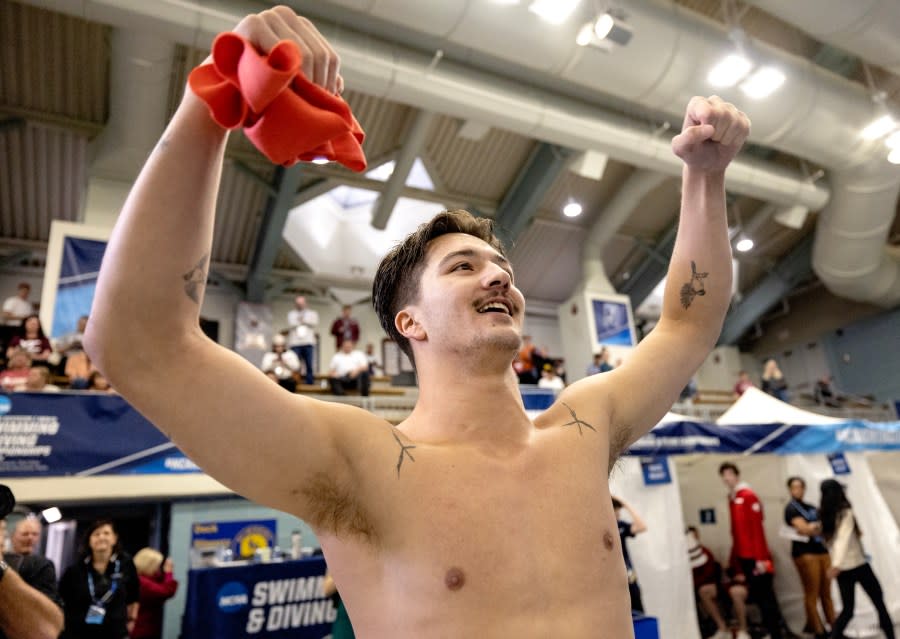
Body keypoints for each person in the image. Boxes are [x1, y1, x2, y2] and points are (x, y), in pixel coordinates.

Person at [82, 7, 749, 635]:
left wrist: (706, 178)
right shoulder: (361, 465)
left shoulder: (584, 426)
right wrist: (214, 98)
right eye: (462, 267)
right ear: (411, 322)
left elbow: (688, 325)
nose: (499, 276)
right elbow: (140, 344)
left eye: (500, 266)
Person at [819, 479, 895, 639]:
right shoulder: (845, 512)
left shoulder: (825, 514)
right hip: (856, 565)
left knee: (848, 610)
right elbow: (842, 539)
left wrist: (836, 564)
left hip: (844, 570)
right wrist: (837, 564)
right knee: (879, 602)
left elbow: (833, 541)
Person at [718, 462, 785, 639]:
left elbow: (756, 529)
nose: (726, 478)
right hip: (744, 557)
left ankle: (775, 631)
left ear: (736, 475)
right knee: (761, 596)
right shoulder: (732, 498)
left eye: (729, 474)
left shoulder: (748, 496)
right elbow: (736, 533)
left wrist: (760, 558)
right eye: (723, 475)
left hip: (756, 557)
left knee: (766, 595)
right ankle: (769, 630)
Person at [60, 519, 140, 639]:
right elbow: (61, 600)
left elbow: (134, 596)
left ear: (114, 538)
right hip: (80, 633)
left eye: (106, 533)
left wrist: (132, 621)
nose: (101, 537)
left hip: (115, 632)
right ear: (89, 540)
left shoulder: (125, 565)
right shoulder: (75, 570)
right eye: (96, 534)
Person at [783, 477, 834, 639]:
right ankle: (818, 630)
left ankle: (834, 627)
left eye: (800, 487)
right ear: (790, 489)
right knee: (812, 592)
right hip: (805, 553)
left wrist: (814, 527)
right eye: (794, 487)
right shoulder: (791, 508)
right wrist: (811, 527)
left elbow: (825, 526)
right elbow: (804, 529)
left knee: (826, 592)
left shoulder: (811, 507)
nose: (797, 490)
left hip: (821, 551)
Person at [0, 515, 64, 639]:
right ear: (12, 535)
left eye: (35, 534)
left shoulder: (42, 565)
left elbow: (46, 628)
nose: (30, 538)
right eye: (25, 534)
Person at [686, 526, 750, 639]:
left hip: (736, 584)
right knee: (703, 591)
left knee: (735, 592)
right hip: (715, 585)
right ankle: (721, 627)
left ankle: (743, 630)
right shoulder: (682, 556)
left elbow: (709, 574)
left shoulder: (705, 553)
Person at [131, 548, 178, 639]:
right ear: (149, 565)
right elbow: (165, 591)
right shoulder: (141, 582)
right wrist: (169, 573)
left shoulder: (142, 579)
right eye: (157, 566)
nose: (158, 570)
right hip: (140, 631)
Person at [612, 497, 647, 613]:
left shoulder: (621, 525)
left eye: (619, 511)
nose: (619, 515)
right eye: (616, 511)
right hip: (613, 575)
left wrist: (626, 505)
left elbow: (641, 526)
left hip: (628, 571)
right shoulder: (603, 528)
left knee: (637, 603)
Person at [287, 296, 318, 384]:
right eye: (298, 304)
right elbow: (291, 323)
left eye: (301, 303)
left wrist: (303, 320)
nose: (300, 305)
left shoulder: (312, 313)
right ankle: (295, 382)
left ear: (306, 303)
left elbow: (314, 322)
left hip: (308, 342)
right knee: (295, 364)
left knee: (309, 363)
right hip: (295, 343)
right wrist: (303, 321)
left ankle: (309, 382)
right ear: (295, 304)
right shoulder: (291, 314)